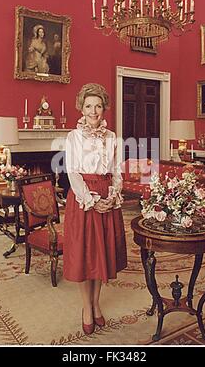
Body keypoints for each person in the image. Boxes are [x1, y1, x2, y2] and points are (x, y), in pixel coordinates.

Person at [63, 83, 127, 335]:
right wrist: (91, 200)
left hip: (107, 197)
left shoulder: (112, 137)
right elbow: (72, 172)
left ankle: (97, 303)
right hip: (83, 200)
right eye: (89, 106)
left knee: (103, 256)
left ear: (104, 108)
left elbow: (117, 170)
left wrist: (112, 195)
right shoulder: (73, 136)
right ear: (81, 108)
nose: (93, 111)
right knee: (85, 255)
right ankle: (86, 307)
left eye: (98, 105)